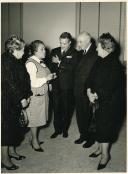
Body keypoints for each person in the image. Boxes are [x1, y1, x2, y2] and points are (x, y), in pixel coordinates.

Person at [86, 33, 124, 170]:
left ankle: (105, 155)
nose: (96, 49)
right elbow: (90, 77)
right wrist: (89, 90)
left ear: (104, 47)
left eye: (97, 47)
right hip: (97, 100)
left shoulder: (115, 66)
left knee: (105, 128)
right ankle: (99, 149)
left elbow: (109, 88)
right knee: (97, 125)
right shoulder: (100, 59)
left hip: (109, 103)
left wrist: (94, 95)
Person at [1, 35, 32, 170]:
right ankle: (4, 159)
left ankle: (12, 152)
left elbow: (24, 79)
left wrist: (28, 94)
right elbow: (11, 83)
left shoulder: (17, 59)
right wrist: (21, 98)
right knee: (7, 130)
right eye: (22, 50)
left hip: (17, 99)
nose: (24, 52)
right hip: (9, 100)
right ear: (14, 49)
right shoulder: (6, 61)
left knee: (15, 128)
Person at [25, 40, 56, 152]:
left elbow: (43, 75)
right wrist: (46, 79)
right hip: (36, 96)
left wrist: (50, 79)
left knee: (39, 119)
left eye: (44, 48)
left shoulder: (40, 61)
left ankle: (33, 138)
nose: (45, 51)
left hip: (43, 95)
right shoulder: (30, 63)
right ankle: (34, 142)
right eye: (42, 49)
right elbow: (32, 82)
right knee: (34, 120)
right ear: (35, 51)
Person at [50, 32, 77, 138]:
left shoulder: (75, 53)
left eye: (65, 43)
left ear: (70, 42)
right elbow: (51, 67)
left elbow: (73, 69)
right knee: (56, 108)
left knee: (66, 109)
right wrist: (50, 82)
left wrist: (60, 62)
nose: (62, 45)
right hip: (56, 85)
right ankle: (57, 130)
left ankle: (65, 130)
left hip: (67, 86)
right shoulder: (54, 51)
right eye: (61, 43)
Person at [74, 31, 98, 148]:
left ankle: (91, 138)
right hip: (78, 89)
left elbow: (93, 74)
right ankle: (83, 135)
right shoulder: (81, 52)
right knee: (80, 114)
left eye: (80, 41)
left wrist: (91, 91)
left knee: (90, 115)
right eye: (78, 41)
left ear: (89, 41)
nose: (78, 44)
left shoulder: (95, 52)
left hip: (88, 90)